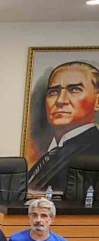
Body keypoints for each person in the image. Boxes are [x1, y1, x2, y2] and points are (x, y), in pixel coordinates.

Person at [28, 61, 99, 193]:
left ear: (97, 101)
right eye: (53, 92)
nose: (60, 101)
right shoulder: (52, 152)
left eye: (74, 90)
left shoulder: (93, 151)